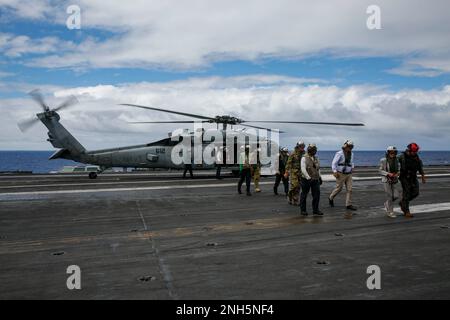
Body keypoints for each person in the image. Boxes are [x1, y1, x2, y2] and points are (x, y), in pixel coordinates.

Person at [398, 143, 426, 218]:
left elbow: (420, 167)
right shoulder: (402, 156)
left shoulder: (416, 157)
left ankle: (402, 202)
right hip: (404, 177)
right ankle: (406, 211)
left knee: (416, 193)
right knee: (406, 193)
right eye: (413, 151)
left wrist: (423, 176)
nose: (415, 153)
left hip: (413, 177)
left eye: (416, 151)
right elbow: (394, 161)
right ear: (409, 150)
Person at [329, 140, 357, 211]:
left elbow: (351, 162)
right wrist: (334, 171)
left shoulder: (352, 154)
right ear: (345, 146)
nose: (350, 148)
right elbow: (334, 163)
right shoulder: (339, 153)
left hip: (349, 174)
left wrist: (352, 168)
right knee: (339, 188)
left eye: (351, 147)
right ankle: (331, 197)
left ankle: (348, 204)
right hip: (340, 174)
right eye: (349, 146)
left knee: (350, 189)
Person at [300, 144, 323, 216]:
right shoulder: (304, 158)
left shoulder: (316, 158)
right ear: (310, 150)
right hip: (306, 179)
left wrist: (320, 177)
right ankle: (303, 210)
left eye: (315, 150)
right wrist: (308, 178)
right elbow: (303, 169)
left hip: (315, 179)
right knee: (304, 194)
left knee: (316, 195)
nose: (315, 151)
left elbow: (318, 168)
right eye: (314, 150)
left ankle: (315, 210)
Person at [379, 146, 401, 218]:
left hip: (394, 179)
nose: (393, 153)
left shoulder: (397, 160)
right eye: (391, 152)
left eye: (394, 152)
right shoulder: (383, 160)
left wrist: (398, 173)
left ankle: (387, 204)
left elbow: (398, 169)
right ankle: (390, 212)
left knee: (396, 195)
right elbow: (380, 171)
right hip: (386, 180)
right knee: (390, 196)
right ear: (388, 152)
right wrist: (388, 174)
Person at [284, 140, 305, 205]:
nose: (302, 147)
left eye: (303, 146)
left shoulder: (304, 153)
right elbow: (288, 163)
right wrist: (286, 172)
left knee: (298, 187)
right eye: (301, 146)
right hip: (293, 172)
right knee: (294, 186)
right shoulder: (293, 154)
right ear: (298, 146)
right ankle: (290, 196)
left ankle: (295, 200)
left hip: (301, 172)